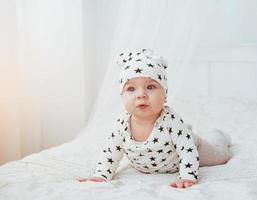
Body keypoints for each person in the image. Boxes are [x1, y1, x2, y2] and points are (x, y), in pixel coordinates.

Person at [78, 49, 231, 188]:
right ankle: (185, 131)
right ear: (122, 96)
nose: (141, 95)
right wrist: (100, 175)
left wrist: (187, 177)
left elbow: (187, 151)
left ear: (165, 94)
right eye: (131, 88)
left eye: (150, 87)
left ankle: (218, 135)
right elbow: (110, 152)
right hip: (165, 151)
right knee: (180, 134)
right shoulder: (121, 124)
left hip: (193, 148)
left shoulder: (169, 118)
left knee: (221, 156)